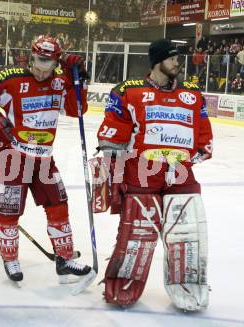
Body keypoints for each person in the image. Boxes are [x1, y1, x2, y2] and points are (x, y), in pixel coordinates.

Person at [95, 39, 213, 310]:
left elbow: (205, 142)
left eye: (177, 58)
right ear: (157, 61)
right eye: (172, 58)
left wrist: (182, 162)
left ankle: (189, 289)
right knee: (137, 234)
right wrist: (113, 174)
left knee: (186, 234)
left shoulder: (193, 95)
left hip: (180, 175)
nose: (177, 62)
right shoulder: (129, 91)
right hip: (141, 176)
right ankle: (121, 285)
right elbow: (112, 138)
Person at [0, 35, 91, 284]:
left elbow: (76, 110)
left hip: (44, 157)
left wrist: (79, 81)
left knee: (59, 206)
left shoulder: (59, 82)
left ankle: (65, 259)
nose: (42, 69)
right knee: (8, 211)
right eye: (38, 60)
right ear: (31, 56)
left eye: (49, 63)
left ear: (57, 62)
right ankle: (10, 258)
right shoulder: (10, 78)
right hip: (12, 155)